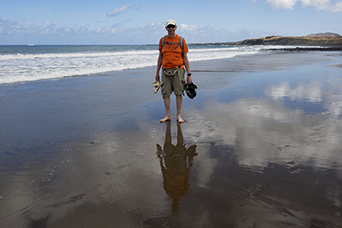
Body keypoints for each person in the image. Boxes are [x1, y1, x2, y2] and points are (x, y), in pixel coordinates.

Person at [155, 19, 192, 123]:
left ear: (175, 27)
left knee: (178, 93)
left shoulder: (181, 40)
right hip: (165, 71)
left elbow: (185, 58)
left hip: (178, 70)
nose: (171, 29)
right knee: (165, 94)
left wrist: (189, 74)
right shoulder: (162, 40)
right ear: (166, 28)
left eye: (172, 26)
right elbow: (160, 57)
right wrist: (157, 73)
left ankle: (179, 115)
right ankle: (168, 115)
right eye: (169, 27)